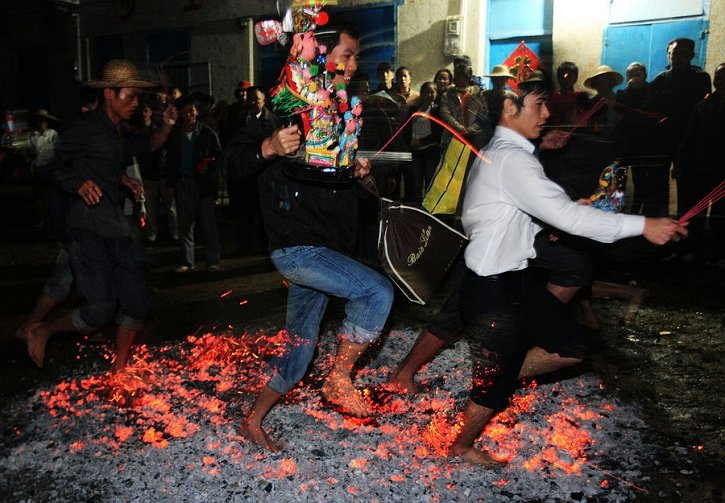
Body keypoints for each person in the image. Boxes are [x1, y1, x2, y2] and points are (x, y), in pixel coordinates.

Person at [393, 75, 687, 466]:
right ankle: (461, 445)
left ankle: (499, 372)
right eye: (539, 105)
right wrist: (643, 225)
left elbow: (511, 213)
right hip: (491, 288)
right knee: (491, 369)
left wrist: (553, 218)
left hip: (515, 282)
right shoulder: (511, 159)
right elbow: (564, 217)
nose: (548, 113)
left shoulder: (508, 151)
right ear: (509, 109)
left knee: (574, 348)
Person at [227, 23, 394, 452]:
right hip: (297, 247)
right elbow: (231, 166)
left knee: (298, 352)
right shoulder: (283, 110)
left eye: (357, 58)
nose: (354, 66)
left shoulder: (337, 119)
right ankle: (339, 379)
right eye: (347, 55)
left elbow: (356, 195)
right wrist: (268, 147)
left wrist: (360, 174)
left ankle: (254, 419)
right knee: (377, 293)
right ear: (320, 54)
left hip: (325, 252)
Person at [22, 59, 177, 373]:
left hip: (115, 225)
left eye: (137, 97)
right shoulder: (83, 129)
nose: (135, 103)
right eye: (129, 96)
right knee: (101, 309)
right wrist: (77, 183)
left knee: (136, 304)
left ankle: (118, 372)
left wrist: (167, 126)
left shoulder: (120, 130)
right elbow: (48, 165)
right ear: (109, 93)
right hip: (86, 227)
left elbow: (147, 145)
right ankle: (42, 329)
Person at [648, 38, 712, 217]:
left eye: (681, 54)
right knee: (658, 183)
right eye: (671, 54)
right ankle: (660, 224)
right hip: (663, 140)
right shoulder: (660, 80)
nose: (675, 58)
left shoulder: (701, 78)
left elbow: (700, 112)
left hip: (690, 140)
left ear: (691, 55)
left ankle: (687, 227)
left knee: (688, 185)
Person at [675, 62, 725, 263]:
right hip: (701, 168)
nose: (720, 81)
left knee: (721, 216)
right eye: (718, 76)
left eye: (724, 77)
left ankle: (717, 254)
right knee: (695, 211)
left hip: (723, 171)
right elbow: (690, 136)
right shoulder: (704, 104)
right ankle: (690, 250)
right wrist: (680, 162)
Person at [166, 94, 222, 272]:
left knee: (208, 224)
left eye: (192, 110)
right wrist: (169, 183)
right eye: (185, 111)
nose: (189, 114)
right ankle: (187, 262)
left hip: (203, 185)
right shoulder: (174, 134)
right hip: (183, 182)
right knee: (185, 225)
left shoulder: (207, 134)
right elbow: (169, 160)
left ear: (197, 112)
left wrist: (209, 165)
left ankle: (212, 261)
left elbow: (219, 158)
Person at [223, 86, 280, 255]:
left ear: (264, 100)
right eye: (251, 99)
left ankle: (267, 248)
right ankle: (243, 246)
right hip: (244, 176)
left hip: (264, 174)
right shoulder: (238, 119)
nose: (254, 102)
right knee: (243, 215)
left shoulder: (273, 122)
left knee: (265, 216)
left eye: (257, 99)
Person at [402, 81, 441, 202]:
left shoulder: (437, 111)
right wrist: (410, 142)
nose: (430, 95)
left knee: (430, 180)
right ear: (422, 94)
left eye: (432, 92)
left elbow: (438, 132)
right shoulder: (413, 109)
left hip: (430, 151)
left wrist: (422, 142)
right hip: (415, 151)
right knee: (415, 182)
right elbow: (406, 128)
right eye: (427, 92)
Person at [438, 62, 491, 149]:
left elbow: (483, 114)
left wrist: (472, 130)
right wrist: (461, 129)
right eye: (456, 75)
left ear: (467, 77)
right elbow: (446, 115)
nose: (456, 79)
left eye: (459, 76)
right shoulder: (447, 95)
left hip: (474, 138)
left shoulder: (477, 94)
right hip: (452, 137)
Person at [547, 61, 586, 127]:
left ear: (575, 78)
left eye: (570, 76)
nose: (566, 80)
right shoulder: (553, 97)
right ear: (558, 78)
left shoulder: (581, 96)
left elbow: (585, 119)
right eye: (562, 76)